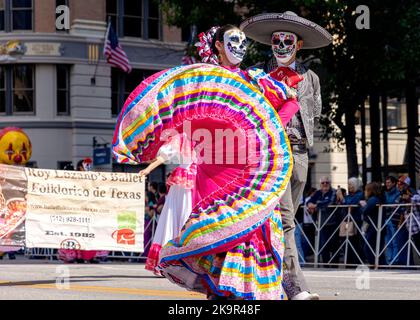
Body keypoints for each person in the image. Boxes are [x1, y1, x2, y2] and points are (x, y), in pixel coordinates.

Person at [112, 33, 291, 299]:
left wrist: (268, 129)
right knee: (217, 232)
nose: (240, 48)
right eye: (233, 41)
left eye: (244, 42)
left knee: (252, 229)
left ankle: (245, 293)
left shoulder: (253, 80)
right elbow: (178, 117)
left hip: (251, 170)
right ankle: (219, 292)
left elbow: (291, 101)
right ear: (218, 45)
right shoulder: (201, 81)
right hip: (212, 171)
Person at [241, 10, 332, 300]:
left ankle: (263, 279)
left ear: (299, 44)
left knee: (284, 218)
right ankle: (296, 287)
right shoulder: (258, 75)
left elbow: (315, 113)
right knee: (284, 218)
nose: (281, 45)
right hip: (270, 154)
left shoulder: (311, 78)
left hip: (300, 154)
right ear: (270, 43)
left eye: (287, 40)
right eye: (276, 40)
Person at [143, 134, 197, 276]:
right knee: (180, 216)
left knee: (191, 218)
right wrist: (148, 169)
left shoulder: (208, 134)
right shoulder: (182, 136)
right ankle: (172, 259)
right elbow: (164, 156)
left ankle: (189, 260)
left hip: (199, 181)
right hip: (184, 183)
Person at [58, 158, 100, 264]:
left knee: (89, 233)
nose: (88, 168)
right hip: (75, 210)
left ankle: (90, 256)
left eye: (90, 166)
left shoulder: (93, 179)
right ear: (80, 168)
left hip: (89, 210)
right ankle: (75, 255)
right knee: (75, 233)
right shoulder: (74, 179)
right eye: (86, 166)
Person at [307, 177, 339, 266]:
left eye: (327, 182)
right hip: (321, 223)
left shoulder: (333, 192)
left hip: (333, 222)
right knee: (323, 245)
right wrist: (310, 204)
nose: (325, 184)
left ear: (330, 183)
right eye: (323, 183)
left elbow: (330, 202)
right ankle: (326, 264)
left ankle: (334, 265)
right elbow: (309, 201)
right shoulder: (318, 192)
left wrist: (316, 205)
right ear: (320, 184)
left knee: (334, 244)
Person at [336, 177, 365, 265]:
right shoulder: (348, 195)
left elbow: (350, 204)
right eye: (348, 184)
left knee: (355, 241)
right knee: (346, 241)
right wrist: (339, 198)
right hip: (346, 221)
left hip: (355, 221)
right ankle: (349, 261)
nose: (349, 186)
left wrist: (342, 198)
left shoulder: (360, 194)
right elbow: (343, 204)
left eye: (351, 185)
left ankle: (356, 261)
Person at [360, 182, 384, 265]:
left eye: (366, 190)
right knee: (376, 246)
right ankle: (378, 263)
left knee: (368, 247)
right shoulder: (376, 198)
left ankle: (374, 263)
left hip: (374, 226)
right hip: (375, 225)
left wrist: (363, 206)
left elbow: (365, 210)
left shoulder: (373, 199)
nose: (365, 192)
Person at [383, 176, 401, 265]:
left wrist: (388, 206)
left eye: (389, 182)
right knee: (388, 241)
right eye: (386, 182)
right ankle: (389, 261)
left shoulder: (398, 193)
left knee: (394, 241)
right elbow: (388, 205)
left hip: (394, 219)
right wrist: (389, 206)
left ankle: (395, 261)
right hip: (386, 218)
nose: (387, 184)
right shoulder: (385, 193)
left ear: (394, 183)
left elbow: (395, 205)